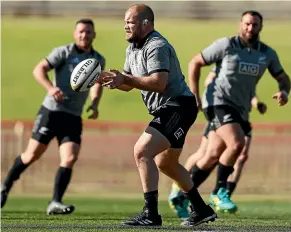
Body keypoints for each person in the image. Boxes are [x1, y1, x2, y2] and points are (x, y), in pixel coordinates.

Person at [101, 4, 217, 227]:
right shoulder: (132, 49)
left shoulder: (157, 45)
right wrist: (101, 77)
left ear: (146, 24)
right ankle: (201, 209)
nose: (125, 25)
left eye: (130, 22)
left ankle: (151, 214)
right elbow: (128, 84)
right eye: (124, 21)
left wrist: (125, 79)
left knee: (142, 150)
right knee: (166, 163)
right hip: (172, 108)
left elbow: (158, 83)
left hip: (178, 106)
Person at [185, 9, 290, 214]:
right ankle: (219, 192)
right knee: (237, 143)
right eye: (247, 24)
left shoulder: (267, 54)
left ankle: (186, 195)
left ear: (261, 27)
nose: (250, 28)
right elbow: (195, 62)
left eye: (255, 25)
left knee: (213, 155)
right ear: (240, 24)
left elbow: (283, 77)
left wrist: (284, 91)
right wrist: (194, 94)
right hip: (217, 102)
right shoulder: (226, 45)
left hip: (241, 109)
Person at [1, 18, 105, 215]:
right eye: (81, 31)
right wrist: (50, 88)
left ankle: (55, 202)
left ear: (94, 35)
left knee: (70, 157)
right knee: (32, 155)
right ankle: (4, 187)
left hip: (73, 116)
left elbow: (97, 83)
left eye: (88, 32)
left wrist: (94, 103)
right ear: (75, 34)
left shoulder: (98, 60)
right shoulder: (63, 52)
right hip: (52, 112)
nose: (84, 35)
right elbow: (38, 69)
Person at [168, 68, 267, 218]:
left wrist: (257, 103)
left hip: (240, 116)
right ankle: (180, 187)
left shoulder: (247, 68)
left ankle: (222, 194)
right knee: (207, 154)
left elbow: (249, 92)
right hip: (221, 113)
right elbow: (209, 81)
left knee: (239, 155)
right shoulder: (226, 62)